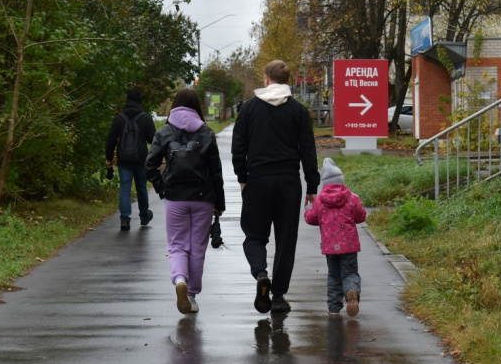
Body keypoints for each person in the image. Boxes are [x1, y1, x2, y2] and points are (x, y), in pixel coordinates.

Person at [231, 59, 319, 314]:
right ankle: (278, 296)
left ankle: (260, 274)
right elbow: (308, 150)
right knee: (286, 239)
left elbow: (239, 147)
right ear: (288, 81)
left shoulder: (248, 109)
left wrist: (242, 177)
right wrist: (312, 185)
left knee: (255, 236)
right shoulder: (299, 112)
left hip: (258, 180)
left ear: (266, 79)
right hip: (289, 183)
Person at [146, 88, 225, 314]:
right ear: (196, 107)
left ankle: (180, 279)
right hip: (203, 199)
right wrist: (219, 203)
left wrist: (163, 189)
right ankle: (192, 295)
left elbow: (149, 166)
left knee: (177, 245)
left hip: (175, 199)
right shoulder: (207, 133)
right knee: (197, 247)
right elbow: (216, 172)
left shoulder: (164, 132)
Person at [304, 158, 366, 317]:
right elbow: (360, 216)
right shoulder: (351, 197)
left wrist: (307, 210)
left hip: (330, 247)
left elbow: (311, 219)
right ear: (341, 181)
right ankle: (351, 290)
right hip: (349, 245)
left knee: (333, 276)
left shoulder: (319, 201)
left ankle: (333, 308)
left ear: (324, 183)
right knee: (350, 273)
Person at [105, 88, 157, 231]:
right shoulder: (145, 118)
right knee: (141, 188)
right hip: (140, 160)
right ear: (139, 101)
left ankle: (125, 219)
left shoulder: (119, 119)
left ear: (127, 100)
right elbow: (154, 140)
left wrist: (109, 158)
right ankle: (145, 215)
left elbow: (111, 141)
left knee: (125, 189)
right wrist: (154, 159)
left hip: (124, 160)